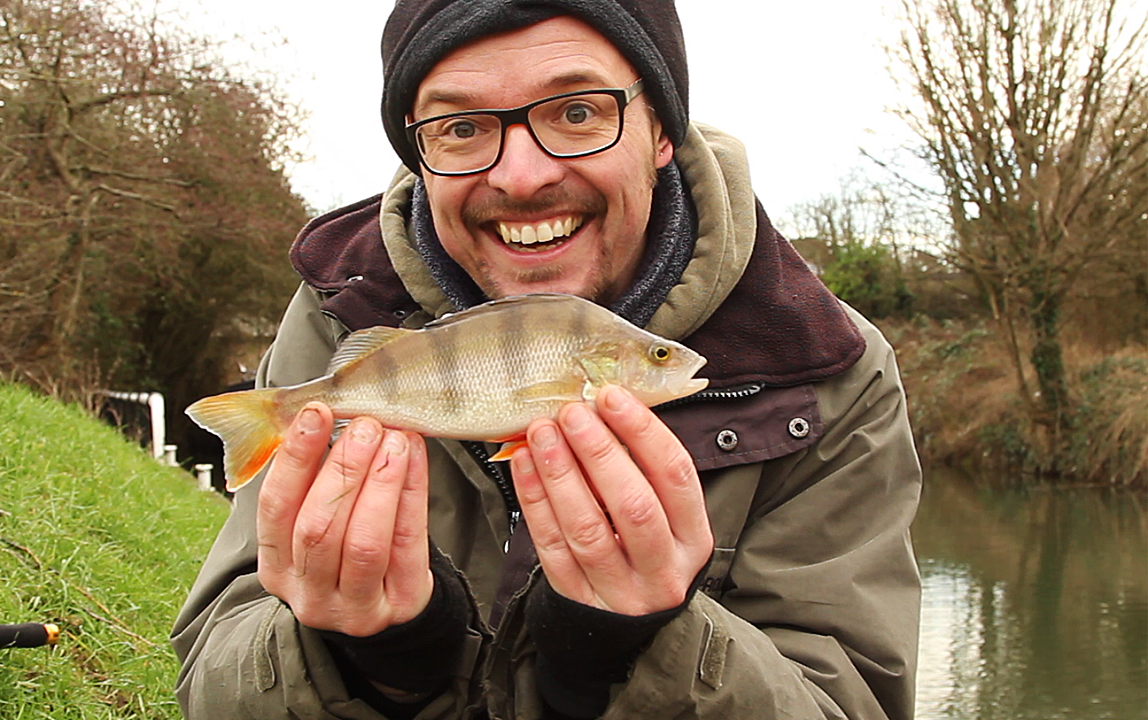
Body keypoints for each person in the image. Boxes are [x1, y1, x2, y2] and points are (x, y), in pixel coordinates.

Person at [171, 1, 923, 718]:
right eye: (461, 126)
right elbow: (210, 685)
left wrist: (631, 650)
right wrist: (374, 658)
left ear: (661, 129)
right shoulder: (340, 311)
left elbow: (851, 702)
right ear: (418, 154)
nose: (522, 176)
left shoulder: (831, 369)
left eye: (577, 112)